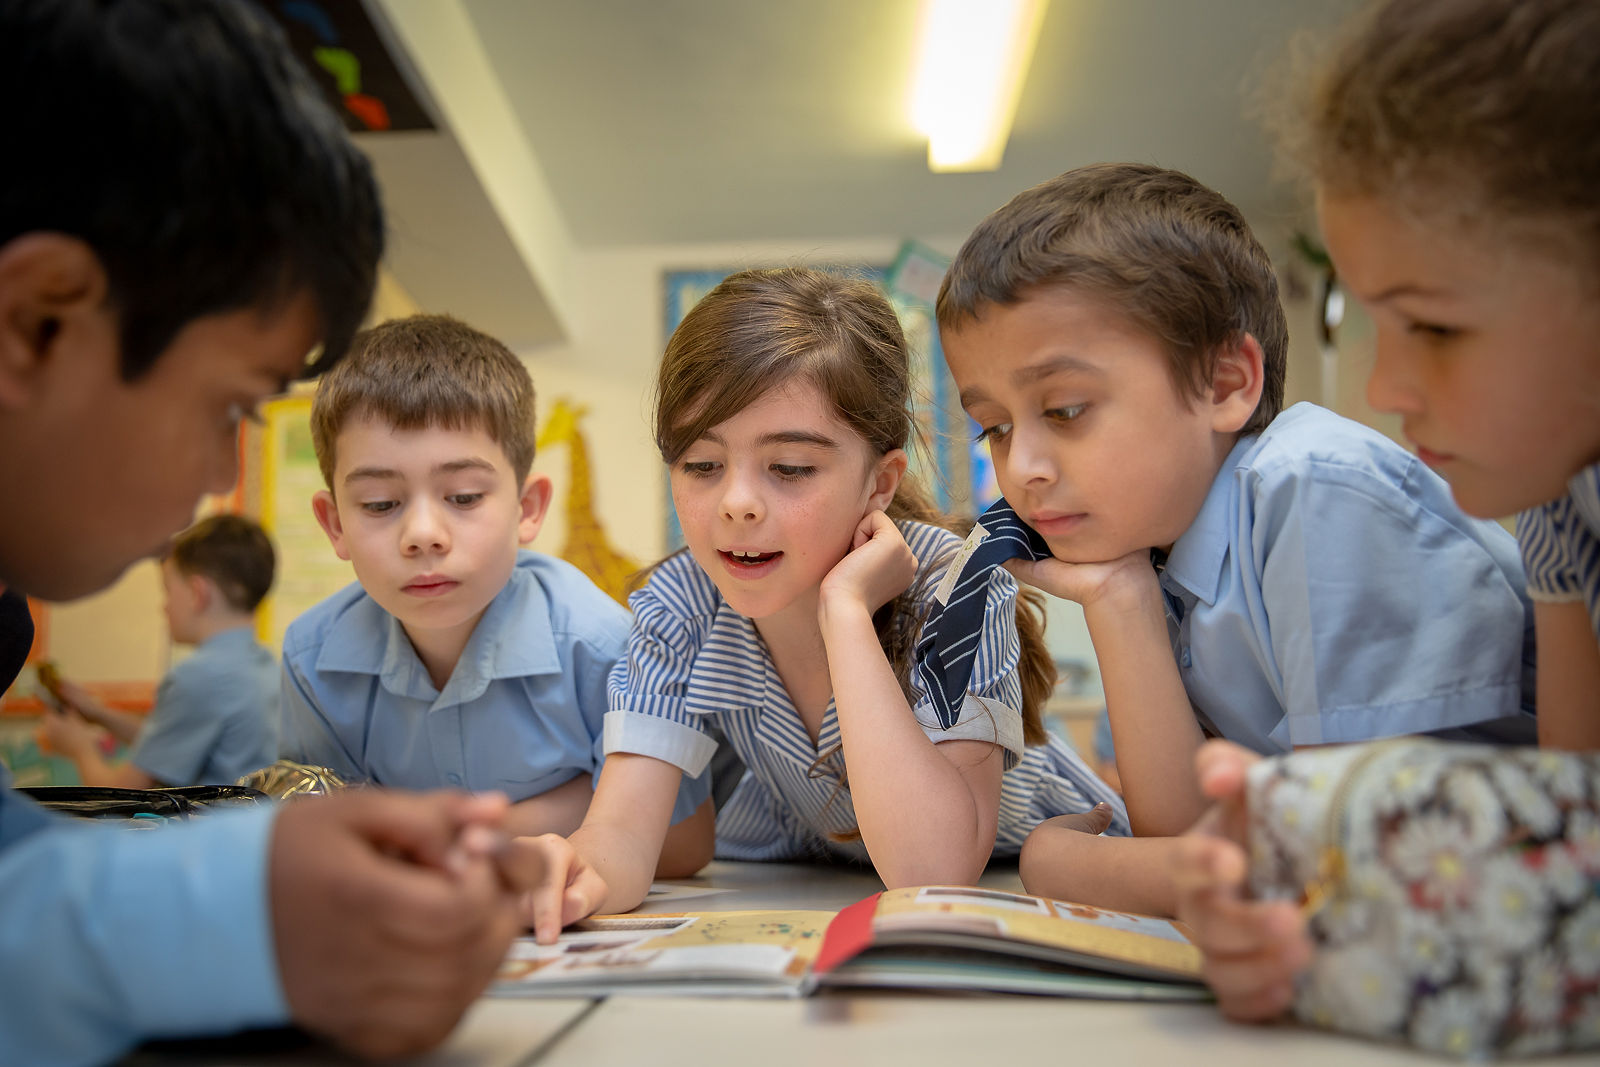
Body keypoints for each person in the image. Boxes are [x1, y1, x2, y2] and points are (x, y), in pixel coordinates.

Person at [0, 3, 537, 1063]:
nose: (220, 474)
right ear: (37, 322)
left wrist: (242, 898)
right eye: (234, 406)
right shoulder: (314, 649)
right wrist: (228, 917)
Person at [1167, 0, 1600, 1052]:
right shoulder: (1559, 499)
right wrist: (1305, 928)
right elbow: (1578, 817)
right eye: (1377, 320)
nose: (1383, 387)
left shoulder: (1312, 482)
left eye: (1435, 326)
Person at [935, 161, 1537, 917]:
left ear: (1225, 384)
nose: (1021, 468)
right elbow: (1192, 840)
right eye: (993, 427)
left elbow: (1350, 877)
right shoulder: (1160, 556)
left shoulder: (1314, 489)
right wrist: (1120, 600)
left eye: (1065, 409)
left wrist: (1067, 865)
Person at [509, 267, 1127, 943]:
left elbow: (934, 868)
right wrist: (573, 870)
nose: (736, 503)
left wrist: (846, 612)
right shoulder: (679, 604)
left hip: (1036, 861)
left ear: (880, 482)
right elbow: (622, 836)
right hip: (819, 866)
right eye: (701, 465)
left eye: (791, 468)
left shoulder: (955, 582)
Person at [279, 313, 713, 863]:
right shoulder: (311, 660)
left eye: (463, 497)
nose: (423, 535)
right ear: (334, 523)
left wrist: (466, 834)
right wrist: (574, 804)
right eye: (380, 504)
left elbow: (685, 840)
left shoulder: (605, 647)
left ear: (527, 508)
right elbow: (328, 840)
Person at [39, 514, 279, 787]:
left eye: (167, 590)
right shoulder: (263, 663)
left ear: (197, 593)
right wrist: (99, 714)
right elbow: (170, 743)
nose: (163, 607)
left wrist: (79, 749)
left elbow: (121, 794)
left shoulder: (199, 677)